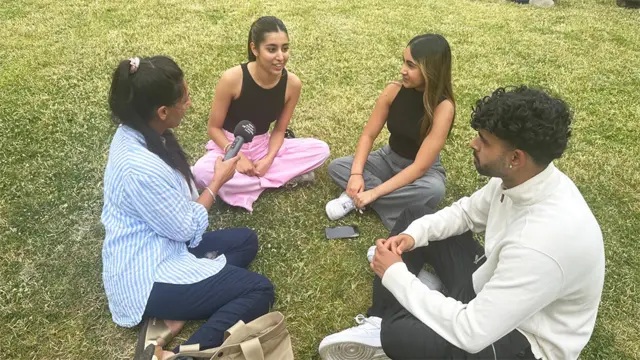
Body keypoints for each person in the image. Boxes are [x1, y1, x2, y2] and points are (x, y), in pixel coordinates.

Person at [319, 86, 605, 360]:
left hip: (520, 341)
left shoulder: (542, 243)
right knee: (415, 218)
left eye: (484, 140)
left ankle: (401, 315)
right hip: (492, 283)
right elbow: (467, 213)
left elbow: (472, 331)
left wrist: (396, 276)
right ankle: (383, 317)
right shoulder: (520, 178)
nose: (473, 143)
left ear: (515, 158)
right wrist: (413, 237)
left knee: (397, 336)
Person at [101, 56, 274, 360]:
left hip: (166, 245)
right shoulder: (139, 168)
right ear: (162, 111)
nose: (190, 104)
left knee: (246, 240)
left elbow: (180, 220)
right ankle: (183, 355)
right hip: (148, 275)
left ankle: (174, 313)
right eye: (184, 99)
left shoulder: (142, 131)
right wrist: (217, 183)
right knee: (258, 290)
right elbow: (186, 227)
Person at [192, 16, 330, 211]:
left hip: (264, 146)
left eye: (285, 48)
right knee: (200, 172)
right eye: (272, 49)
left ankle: (247, 183)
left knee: (321, 150)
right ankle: (279, 180)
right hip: (229, 146)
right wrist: (237, 156)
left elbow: (280, 130)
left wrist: (268, 159)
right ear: (254, 49)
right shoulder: (232, 78)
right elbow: (214, 128)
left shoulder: (292, 84)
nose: (280, 56)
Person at [325, 34, 454, 231]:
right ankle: (396, 208)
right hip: (387, 158)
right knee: (338, 167)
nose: (403, 70)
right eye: (404, 62)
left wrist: (374, 192)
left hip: (423, 171)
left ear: (431, 70)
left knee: (434, 190)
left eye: (411, 65)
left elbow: (419, 167)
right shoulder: (393, 91)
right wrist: (357, 174)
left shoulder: (443, 107)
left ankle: (361, 198)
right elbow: (368, 135)